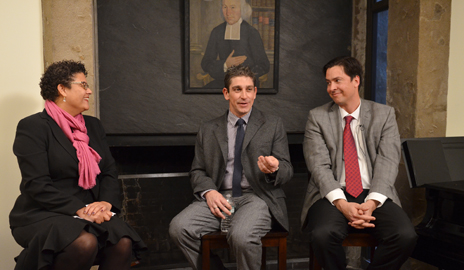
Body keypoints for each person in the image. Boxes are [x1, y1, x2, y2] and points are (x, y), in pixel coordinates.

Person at [9, 60, 146, 270]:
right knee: (84, 243)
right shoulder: (33, 127)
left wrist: (106, 203)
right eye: (83, 85)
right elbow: (37, 184)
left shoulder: (93, 125)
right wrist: (79, 209)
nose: (89, 90)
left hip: (87, 209)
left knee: (122, 242)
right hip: (43, 212)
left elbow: (108, 170)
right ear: (62, 89)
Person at [169, 64, 293, 269]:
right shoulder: (208, 129)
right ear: (226, 93)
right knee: (179, 228)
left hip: (257, 197)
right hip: (219, 198)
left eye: (248, 89)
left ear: (255, 92)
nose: (244, 96)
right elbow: (198, 170)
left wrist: (275, 168)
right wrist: (209, 192)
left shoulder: (272, 124)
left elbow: (288, 169)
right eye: (237, 89)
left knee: (242, 236)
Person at [300, 56, 417, 269]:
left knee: (405, 235)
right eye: (328, 83)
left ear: (356, 80)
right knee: (323, 235)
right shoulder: (317, 117)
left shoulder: (384, 114)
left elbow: (388, 162)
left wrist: (371, 204)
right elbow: (318, 166)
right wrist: (342, 204)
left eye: (337, 81)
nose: (331, 88)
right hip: (332, 193)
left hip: (375, 192)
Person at [201, 0, 270, 88]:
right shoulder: (217, 32)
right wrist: (225, 65)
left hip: (246, 84)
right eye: (225, 7)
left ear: (242, 9)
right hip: (222, 82)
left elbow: (264, 64)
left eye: (233, 7)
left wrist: (245, 75)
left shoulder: (252, 32)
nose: (228, 12)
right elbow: (206, 63)